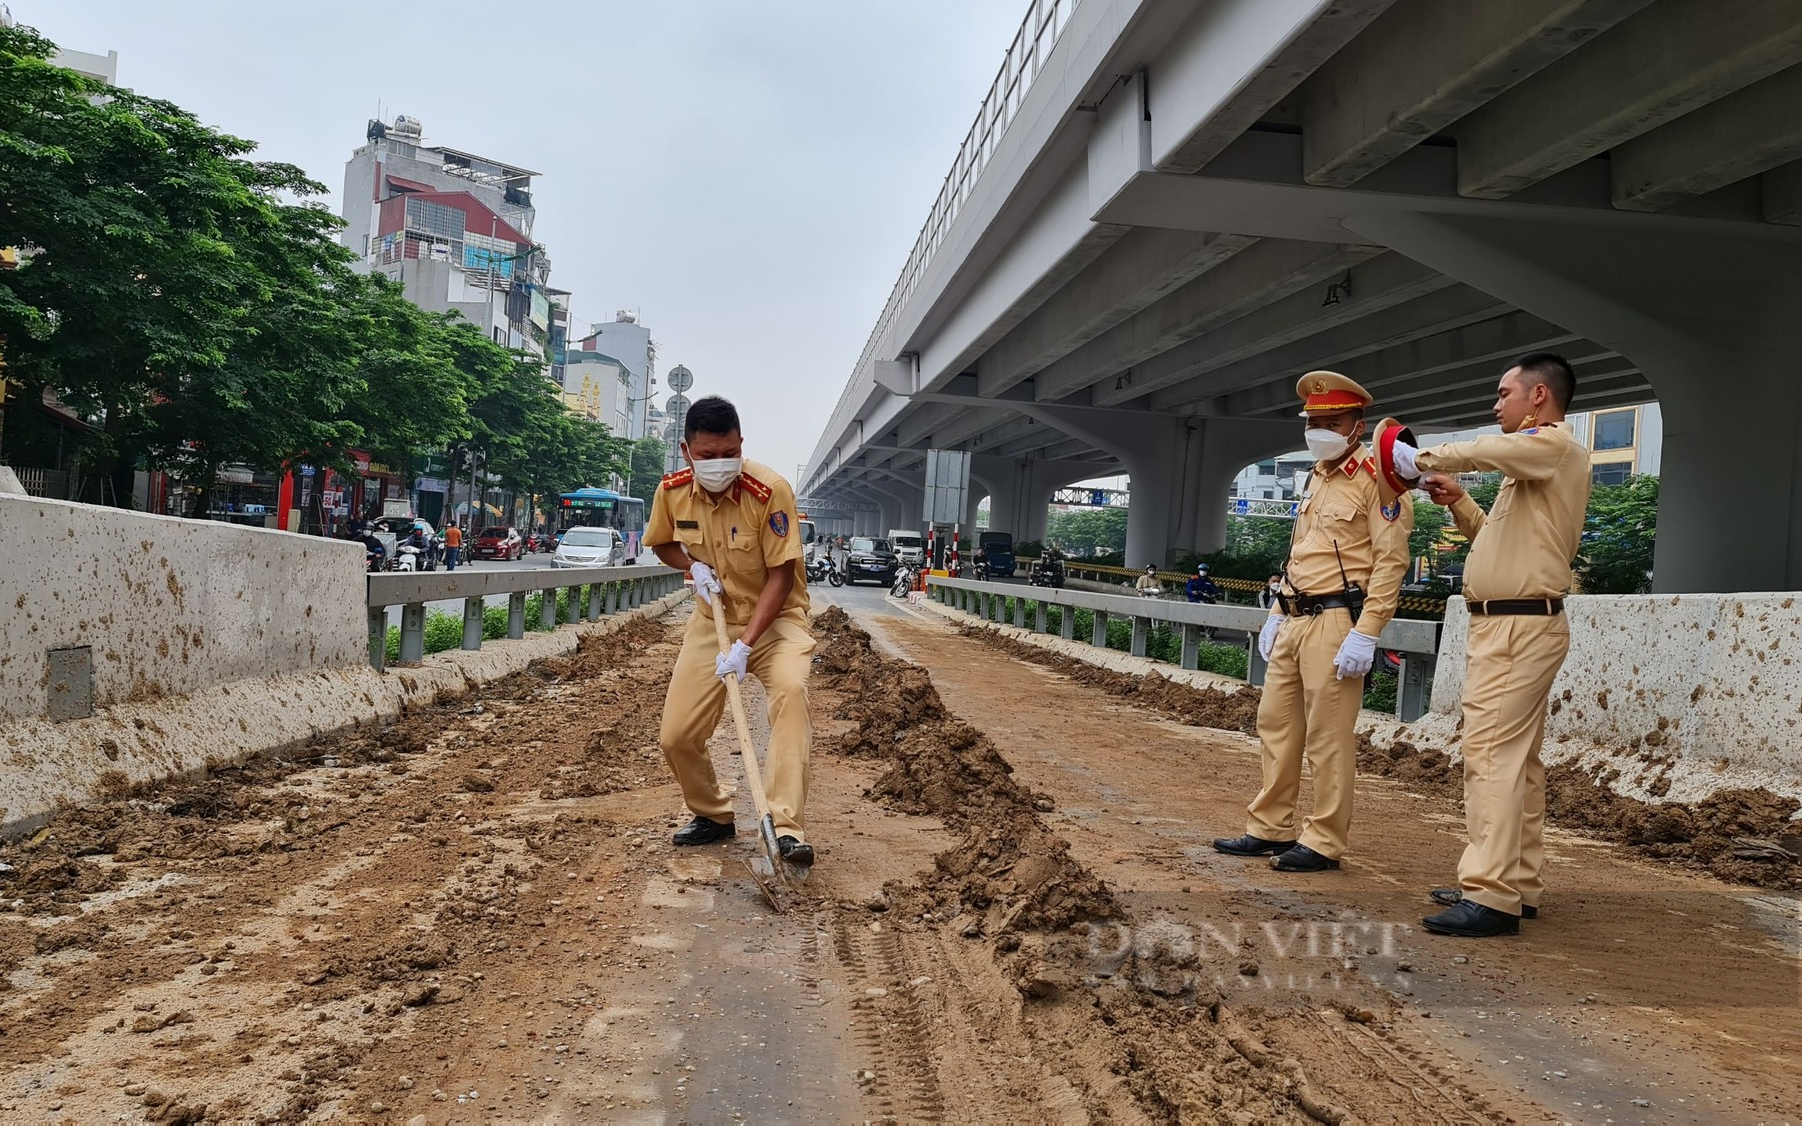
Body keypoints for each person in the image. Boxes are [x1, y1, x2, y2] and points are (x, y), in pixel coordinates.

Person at [1382, 353, 1590, 938]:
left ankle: (1491, 892)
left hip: (1517, 627)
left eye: (1504, 393)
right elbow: (1501, 541)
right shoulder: (1534, 465)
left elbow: (1486, 449)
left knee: (1492, 756)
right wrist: (1460, 503)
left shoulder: (1550, 446)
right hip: (1513, 623)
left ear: (1539, 397)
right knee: (1517, 762)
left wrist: (1418, 458)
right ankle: (1515, 883)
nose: (1496, 404)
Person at [1213, 371, 1413, 873]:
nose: (1320, 428)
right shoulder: (1316, 475)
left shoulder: (1378, 479)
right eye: (1313, 421)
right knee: (1276, 725)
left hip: (1337, 621)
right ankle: (1271, 826)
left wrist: (1367, 632)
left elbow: (1390, 563)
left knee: (1328, 734)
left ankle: (1323, 840)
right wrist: (1277, 612)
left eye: (1332, 420)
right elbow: (1302, 553)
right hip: (1295, 615)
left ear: (1357, 425)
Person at [645, 396, 817, 866]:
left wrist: (745, 645)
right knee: (676, 736)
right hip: (710, 621)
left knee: (790, 694)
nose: (719, 464)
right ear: (686, 452)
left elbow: (781, 577)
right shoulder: (673, 491)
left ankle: (784, 827)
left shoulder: (771, 491)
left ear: (741, 444)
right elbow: (662, 543)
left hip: (776, 621)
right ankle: (713, 815)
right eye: (707, 456)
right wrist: (692, 565)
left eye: (728, 453)